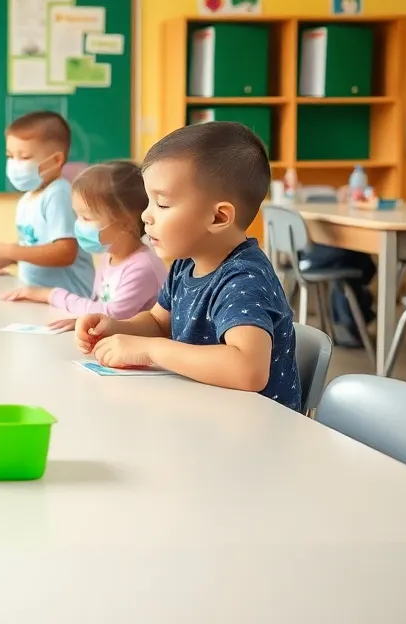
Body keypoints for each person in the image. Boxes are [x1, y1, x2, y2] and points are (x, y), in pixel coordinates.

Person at [75, 121, 301, 410]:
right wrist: (115, 327)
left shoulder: (243, 279)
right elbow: (158, 322)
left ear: (219, 218)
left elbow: (248, 370)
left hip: (256, 430)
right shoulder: (185, 264)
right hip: (204, 413)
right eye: (149, 202)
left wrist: (150, 350)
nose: (146, 216)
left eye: (162, 204)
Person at [3, 161, 166, 328]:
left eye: (86, 218)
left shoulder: (142, 267)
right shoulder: (109, 256)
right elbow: (100, 309)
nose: (77, 224)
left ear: (125, 223)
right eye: (77, 215)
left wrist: (49, 294)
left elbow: (110, 315)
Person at [0, 111, 94, 297]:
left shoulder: (58, 194)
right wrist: (8, 258)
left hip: (69, 301)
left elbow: (65, 252)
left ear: (57, 160)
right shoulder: (27, 199)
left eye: (24, 157)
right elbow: (35, 247)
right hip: (39, 298)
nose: (15, 164)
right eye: (10, 156)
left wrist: (10, 251)